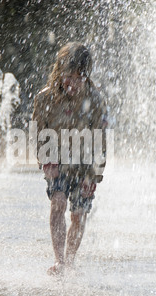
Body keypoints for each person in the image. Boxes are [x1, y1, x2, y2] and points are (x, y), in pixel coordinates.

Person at [32, 42, 108, 276]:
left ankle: (71, 260)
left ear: (86, 76)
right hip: (57, 160)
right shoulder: (45, 98)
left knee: (78, 214)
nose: (72, 83)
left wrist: (94, 175)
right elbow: (37, 133)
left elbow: (100, 140)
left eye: (79, 78)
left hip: (85, 164)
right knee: (58, 202)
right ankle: (60, 260)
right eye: (68, 76)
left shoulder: (95, 100)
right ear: (59, 72)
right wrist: (46, 162)